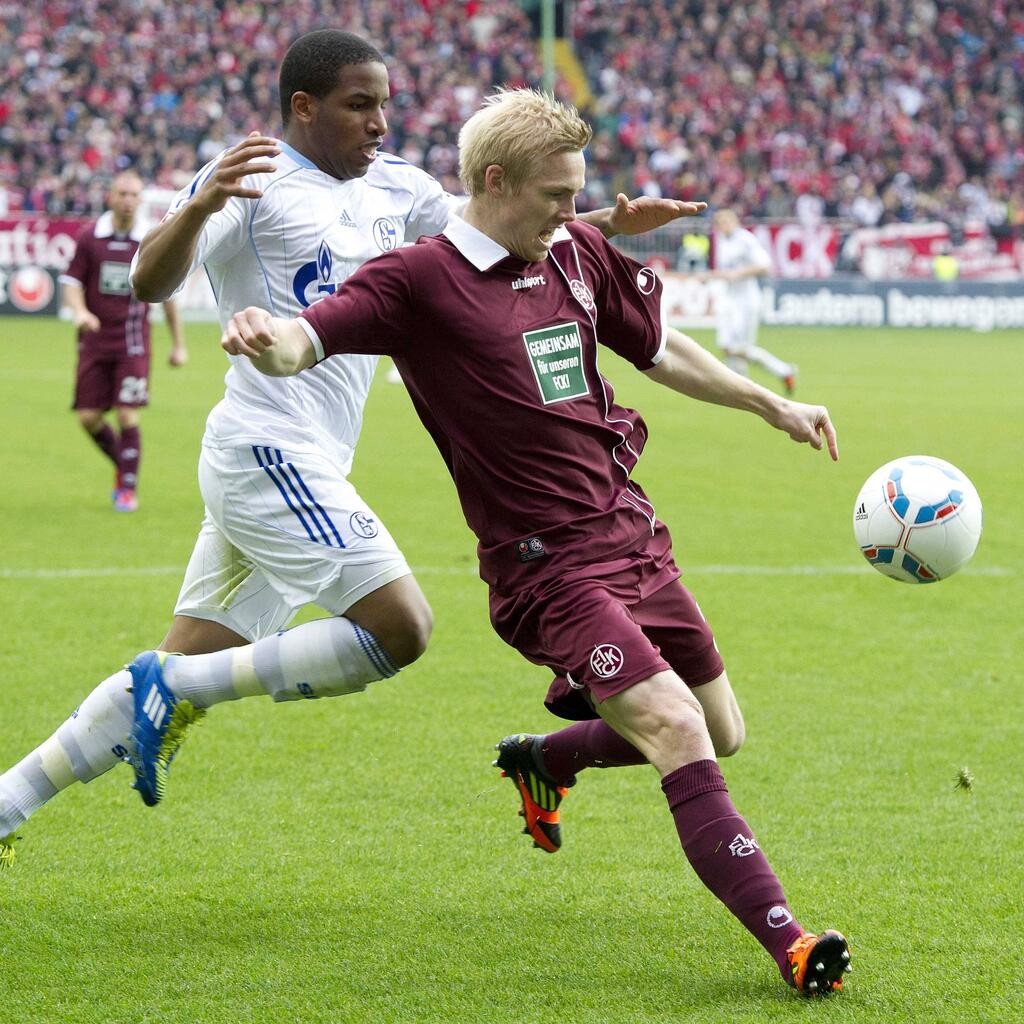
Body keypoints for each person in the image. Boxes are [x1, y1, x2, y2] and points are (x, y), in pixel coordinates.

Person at [0, 31, 704, 866]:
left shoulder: (399, 188)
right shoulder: (250, 179)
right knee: (399, 627)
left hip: (309, 462)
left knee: (182, 664)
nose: (380, 123)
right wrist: (196, 207)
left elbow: (492, 234)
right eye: (360, 105)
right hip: (265, 446)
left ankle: (9, 804)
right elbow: (151, 280)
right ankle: (169, 693)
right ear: (305, 107)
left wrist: (599, 222)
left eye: (386, 104)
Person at [216, 89, 852, 996]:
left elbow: (660, 348)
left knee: (721, 731)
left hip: (631, 534)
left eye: (575, 193)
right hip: (545, 569)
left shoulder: (576, 251)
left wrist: (772, 403)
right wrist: (262, 335)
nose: (572, 211)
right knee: (674, 728)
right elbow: (305, 340)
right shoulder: (415, 281)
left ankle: (546, 757)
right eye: (556, 195)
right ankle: (792, 943)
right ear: (494, 180)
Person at [59, 169, 188, 512]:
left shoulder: (149, 238)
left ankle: (127, 489)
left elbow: (168, 294)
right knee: (88, 418)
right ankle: (125, 465)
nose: (129, 201)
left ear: (141, 200)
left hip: (132, 343)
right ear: (111, 197)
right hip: (94, 342)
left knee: (128, 415)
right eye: (123, 194)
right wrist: (80, 312)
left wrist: (179, 344)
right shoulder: (90, 238)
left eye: (134, 195)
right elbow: (71, 283)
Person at [703, 208, 797, 394]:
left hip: (746, 301)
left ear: (735, 221)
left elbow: (765, 265)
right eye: (719, 223)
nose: (722, 226)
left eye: (725, 221)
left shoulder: (745, 239)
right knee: (728, 348)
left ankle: (780, 372)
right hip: (730, 299)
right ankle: (740, 388)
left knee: (739, 349)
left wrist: (738, 273)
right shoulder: (723, 240)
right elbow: (727, 270)